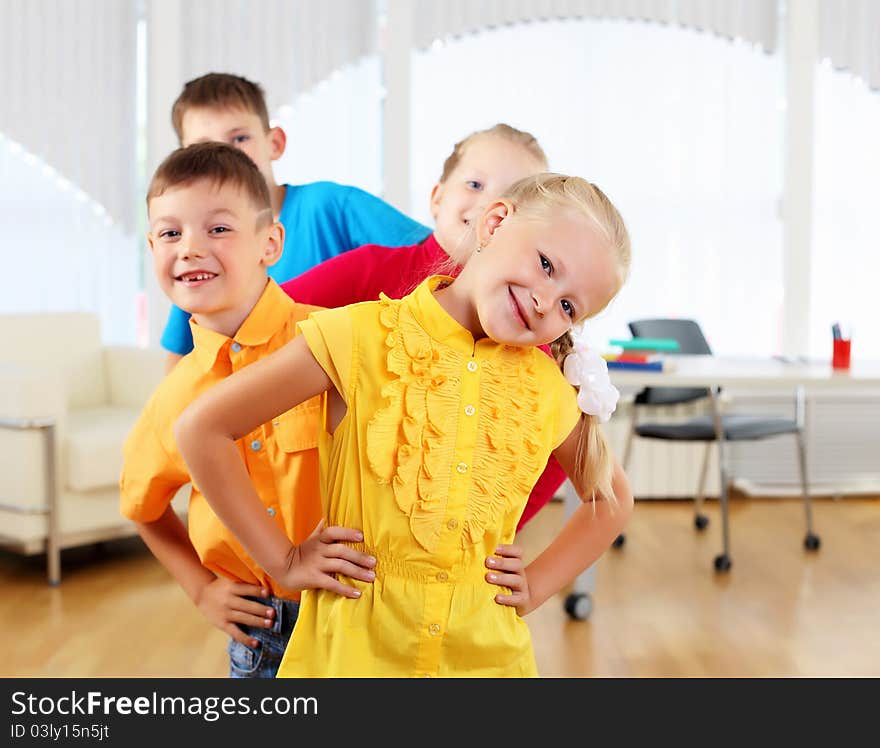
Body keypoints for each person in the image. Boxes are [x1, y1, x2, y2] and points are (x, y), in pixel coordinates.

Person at [175, 172, 635, 677]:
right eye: (546, 265)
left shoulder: (547, 388)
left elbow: (609, 499)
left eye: (569, 305)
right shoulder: (358, 335)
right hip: (353, 660)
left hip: (487, 660)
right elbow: (202, 429)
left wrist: (540, 582)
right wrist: (283, 560)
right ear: (496, 223)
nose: (547, 301)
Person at [119, 142, 377, 678]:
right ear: (151, 247)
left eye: (217, 229)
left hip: (363, 609)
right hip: (267, 633)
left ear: (270, 243)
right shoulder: (174, 396)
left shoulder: (334, 340)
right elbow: (143, 507)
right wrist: (202, 589)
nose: (189, 248)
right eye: (170, 233)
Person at [282, 124, 566, 531]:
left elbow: (558, 447)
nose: (490, 203)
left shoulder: (523, 331)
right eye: (475, 184)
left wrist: (496, 531)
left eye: (512, 196)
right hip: (327, 524)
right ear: (437, 197)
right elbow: (266, 318)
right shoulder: (371, 270)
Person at [161, 72, 430, 370]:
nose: (225, 157)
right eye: (205, 150)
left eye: (239, 138)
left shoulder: (332, 205)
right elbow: (179, 367)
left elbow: (435, 258)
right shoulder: (197, 253)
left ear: (274, 143)